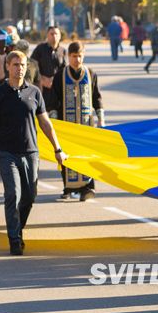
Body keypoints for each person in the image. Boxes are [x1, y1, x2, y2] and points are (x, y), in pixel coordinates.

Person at [0, 50, 66, 254]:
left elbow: (45, 123)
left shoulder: (34, 92)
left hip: (31, 152)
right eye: (15, 65)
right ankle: (14, 240)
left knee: (30, 196)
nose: (19, 68)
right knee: (13, 193)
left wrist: (58, 148)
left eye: (22, 65)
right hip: (7, 152)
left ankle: (17, 229)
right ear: (7, 67)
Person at [49, 42, 103, 201]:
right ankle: (68, 188)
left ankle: (87, 188)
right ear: (68, 56)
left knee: (86, 155)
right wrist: (54, 123)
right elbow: (53, 100)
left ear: (83, 55)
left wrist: (101, 119)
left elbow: (96, 97)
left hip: (86, 125)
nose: (77, 60)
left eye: (80, 56)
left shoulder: (90, 73)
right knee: (66, 155)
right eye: (74, 56)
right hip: (67, 125)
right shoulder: (60, 75)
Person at [31, 26, 65, 97]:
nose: (54, 36)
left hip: (57, 88)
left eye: (56, 34)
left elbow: (64, 69)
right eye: (51, 34)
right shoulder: (40, 49)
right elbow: (32, 65)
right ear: (47, 35)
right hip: (42, 88)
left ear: (60, 36)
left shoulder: (62, 51)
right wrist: (41, 79)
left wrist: (55, 80)